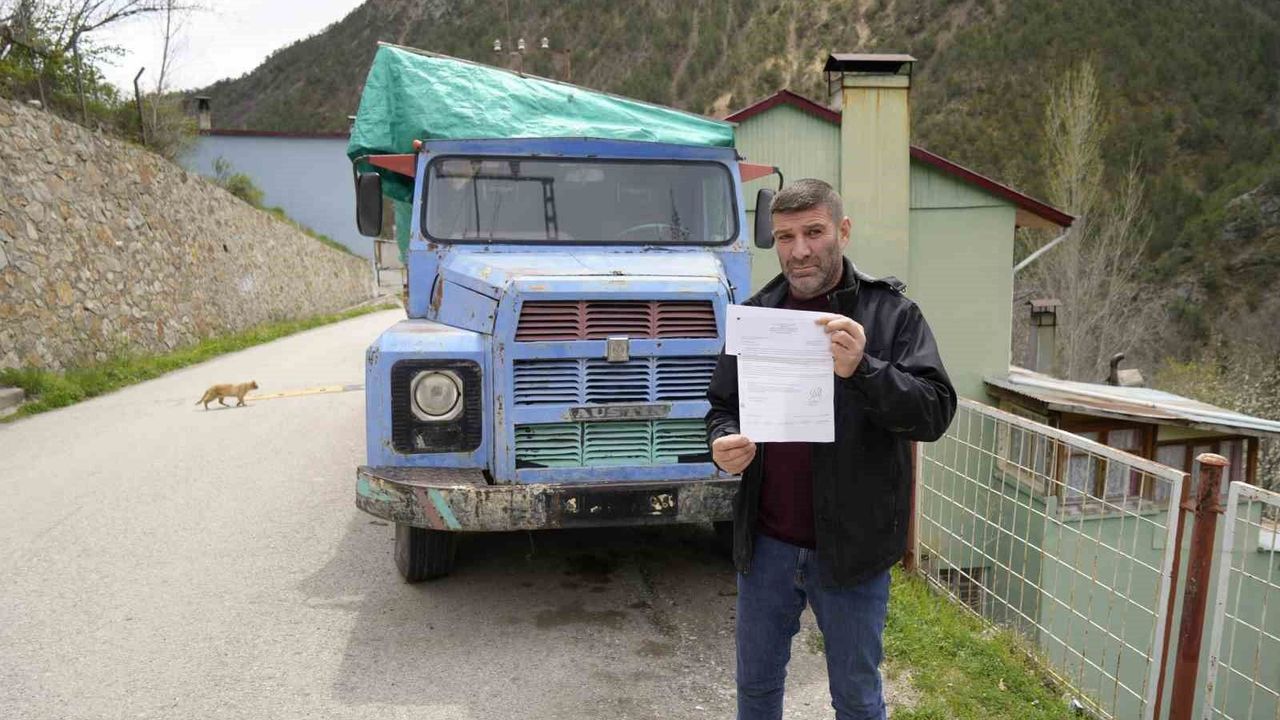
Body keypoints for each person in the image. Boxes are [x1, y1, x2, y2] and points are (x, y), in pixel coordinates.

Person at [705, 178, 956, 720]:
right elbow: (723, 405)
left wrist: (864, 369)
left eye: (814, 232)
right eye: (785, 236)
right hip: (766, 545)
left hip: (852, 551)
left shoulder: (891, 315)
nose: (799, 250)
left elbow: (935, 412)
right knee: (756, 691)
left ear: (842, 231)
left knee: (857, 700)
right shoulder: (757, 316)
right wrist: (721, 442)